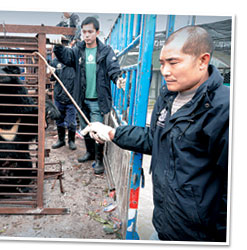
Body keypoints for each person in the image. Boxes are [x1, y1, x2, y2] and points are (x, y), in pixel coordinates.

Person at [82, 26, 229, 241]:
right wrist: (112, 133)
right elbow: (156, 139)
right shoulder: (168, 97)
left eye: (173, 62)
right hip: (165, 225)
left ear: (202, 61)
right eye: (162, 63)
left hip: (202, 236)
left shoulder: (224, 109)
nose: (165, 71)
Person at [50, 16, 125, 175]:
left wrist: (117, 79)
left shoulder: (105, 51)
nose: (87, 35)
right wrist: (57, 46)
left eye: (90, 32)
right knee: (85, 128)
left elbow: (113, 67)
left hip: (98, 99)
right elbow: (66, 57)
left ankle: (98, 160)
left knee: (97, 130)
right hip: (82, 98)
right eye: (84, 32)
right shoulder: (78, 50)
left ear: (97, 32)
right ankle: (90, 153)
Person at [49, 44, 78, 150]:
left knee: (71, 122)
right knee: (59, 120)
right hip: (59, 97)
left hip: (71, 98)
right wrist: (51, 73)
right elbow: (52, 79)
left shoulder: (73, 62)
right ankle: (61, 140)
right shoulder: (55, 62)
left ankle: (71, 141)